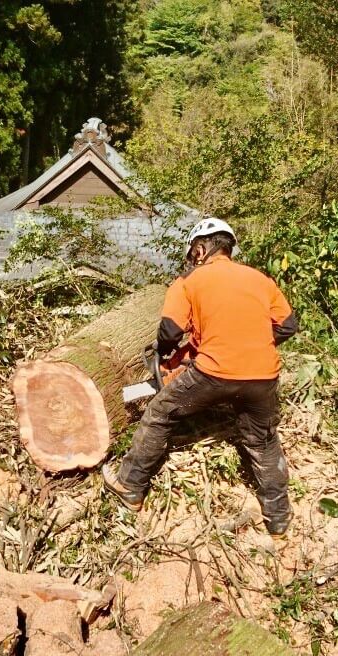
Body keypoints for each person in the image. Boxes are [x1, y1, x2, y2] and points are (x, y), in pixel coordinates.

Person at [103, 217, 299, 535]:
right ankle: (278, 519)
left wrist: (166, 354)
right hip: (264, 375)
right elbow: (288, 325)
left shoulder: (188, 283)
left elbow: (169, 331)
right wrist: (252, 344)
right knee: (263, 442)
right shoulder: (261, 280)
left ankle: (130, 484)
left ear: (199, 248)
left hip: (213, 373)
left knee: (159, 413)